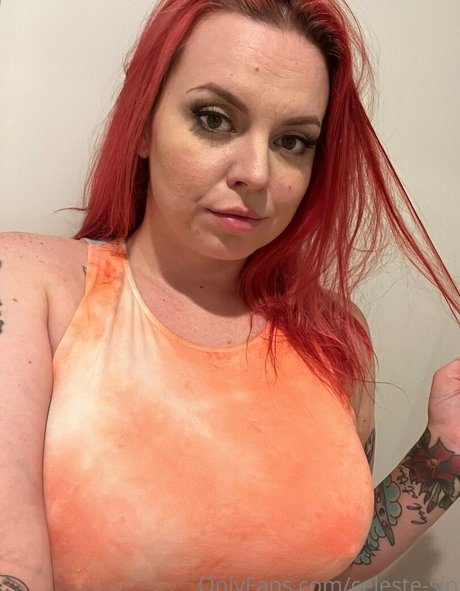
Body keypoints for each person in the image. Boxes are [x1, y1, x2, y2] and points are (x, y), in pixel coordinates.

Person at [0, 0, 459, 590]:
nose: (257, 173)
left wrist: (445, 448)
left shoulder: (335, 332)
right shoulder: (29, 287)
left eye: (293, 141)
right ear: (143, 122)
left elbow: (326, 566)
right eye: (215, 119)